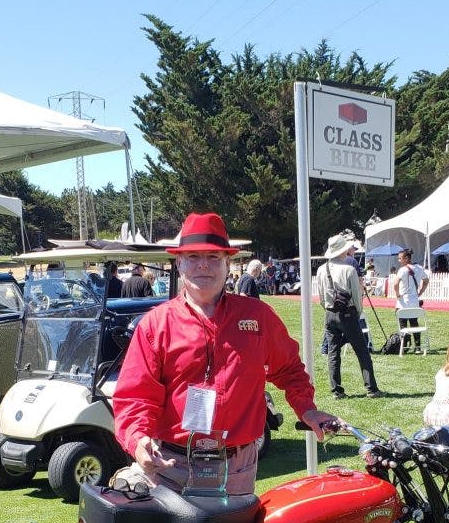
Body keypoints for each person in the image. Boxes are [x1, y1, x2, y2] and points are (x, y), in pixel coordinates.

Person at [114, 211, 336, 498]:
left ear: (228, 263)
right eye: (193, 257)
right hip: (171, 466)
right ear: (179, 263)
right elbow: (135, 396)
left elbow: (289, 368)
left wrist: (306, 408)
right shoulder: (156, 325)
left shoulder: (258, 317)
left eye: (213, 257)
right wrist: (137, 439)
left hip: (238, 467)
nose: (203, 266)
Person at [316, 232, 383, 399]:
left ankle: (336, 390)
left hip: (330, 313)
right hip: (348, 313)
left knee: (333, 352)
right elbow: (357, 296)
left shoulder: (321, 270)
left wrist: (329, 309)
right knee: (362, 351)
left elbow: (322, 298)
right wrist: (357, 313)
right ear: (342, 251)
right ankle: (371, 388)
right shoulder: (349, 270)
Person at [393, 248, 429, 351]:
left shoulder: (402, 270)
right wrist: (421, 291)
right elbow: (426, 280)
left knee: (403, 324)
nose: (399, 260)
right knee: (414, 324)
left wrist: (397, 294)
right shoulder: (418, 268)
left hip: (403, 301)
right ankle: (417, 347)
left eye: (400, 258)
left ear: (406, 258)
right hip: (414, 300)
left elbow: (395, 283)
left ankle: (403, 346)